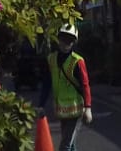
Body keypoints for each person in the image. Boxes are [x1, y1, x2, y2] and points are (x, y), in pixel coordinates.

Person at [38, 23, 92, 151]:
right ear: (59, 39)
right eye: (63, 39)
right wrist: (41, 104)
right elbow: (46, 83)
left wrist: (88, 108)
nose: (65, 43)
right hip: (61, 110)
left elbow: (85, 85)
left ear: (74, 42)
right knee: (70, 144)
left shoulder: (77, 61)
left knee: (65, 145)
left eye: (69, 40)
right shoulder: (51, 59)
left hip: (76, 110)